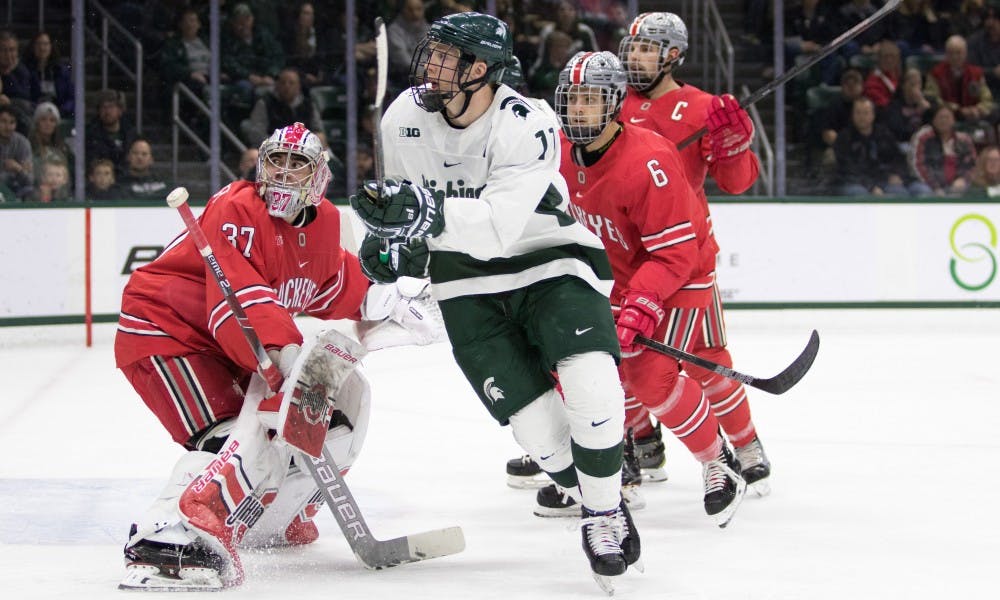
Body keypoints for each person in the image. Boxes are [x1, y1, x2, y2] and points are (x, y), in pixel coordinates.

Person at [349, 12, 639, 587]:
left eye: (445, 57)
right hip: (465, 284)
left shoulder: (527, 122)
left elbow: (499, 226)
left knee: (593, 386)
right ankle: (597, 498)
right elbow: (414, 220)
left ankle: (603, 513)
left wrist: (423, 217)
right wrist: (395, 251)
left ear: (481, 69)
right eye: (431, 54)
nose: (430, 66)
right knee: (537, 432)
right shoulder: (403, 117)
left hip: (548, 263)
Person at [115, 122, 443, 591]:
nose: (285, 173)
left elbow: (332, 284)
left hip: (224, 341)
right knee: (231, 435)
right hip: (167, 331)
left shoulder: (326, 220)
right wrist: (286, 357)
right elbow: (241, 302)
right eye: (277, 161)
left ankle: (275, 516)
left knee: (347, 404)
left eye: (298, 164)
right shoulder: (234, 208)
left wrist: (388, 299)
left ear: (319, 177)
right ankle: (167, 538)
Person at [554, 50, 747, 527]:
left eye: (591, 99)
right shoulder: (555, 151)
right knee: (571, 366)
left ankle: (719, 462)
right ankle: (612, 471)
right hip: (618, 278)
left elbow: (675, 253)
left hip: (682, 276)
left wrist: (641, 303)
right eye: (572, 98)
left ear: (615, 102)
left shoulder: (648, 159)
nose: (578, 109)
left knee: (647, 376)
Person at [614, 12, 771, 493]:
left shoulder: (703, 108)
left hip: (685, 256)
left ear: (673, 56)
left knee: (705, 358)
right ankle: (634, 444)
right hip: (621, 255)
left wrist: (734, 144)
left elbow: (737, 181)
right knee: (617, 358)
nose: (634, 56)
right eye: (632, 46)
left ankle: (744, 444)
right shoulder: (610, 104)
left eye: (647, 48)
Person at [833, 96, 920, 196]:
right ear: (852, 115)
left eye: (866, 113)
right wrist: (870, 186)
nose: (862, 117)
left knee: (900, 193)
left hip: (882, 180)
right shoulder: (844, 138)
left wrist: (895, 174)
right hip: (854, 182)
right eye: (858, 113)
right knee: (860, 194)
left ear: (873, 115)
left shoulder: (884, 134)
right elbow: (847, 169)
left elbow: (897, 158)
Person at [240, 67, 325, 147]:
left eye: (291, 83)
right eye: (283, 82)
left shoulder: (309, 105)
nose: (287, 86)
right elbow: (257, 136)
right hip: (274, 151)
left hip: (304, 150)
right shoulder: (265, 104)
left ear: (298, 87)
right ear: (277, 85)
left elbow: (318, 130)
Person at [909, 104, 978, 196]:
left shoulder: (964, 139)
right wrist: (936, 187)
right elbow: (918, 165)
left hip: (957, 184)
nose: (944, 120)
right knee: (924, 192)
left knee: (975, 190)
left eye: (947, 117)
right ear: (933, 120)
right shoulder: (923, 137)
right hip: (926, 184)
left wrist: (962, 179)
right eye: (941, 117)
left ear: (954, 120)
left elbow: (971, 165)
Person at [84, 89, 135, 176]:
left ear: (120, 110)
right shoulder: (90, 136)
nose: (107, 111)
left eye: (111, 107)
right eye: (103, 107)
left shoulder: (131, 135)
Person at [0, 104, 33, 199]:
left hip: (18, 189)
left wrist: (18, 168)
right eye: (3, 121)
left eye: (12, 122)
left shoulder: (23, 143)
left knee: (30, 191)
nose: (8, 127)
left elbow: (30, 180)